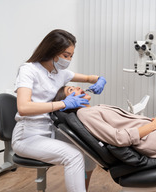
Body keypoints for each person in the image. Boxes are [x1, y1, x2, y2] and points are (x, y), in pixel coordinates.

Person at [12, 29, 107, 192]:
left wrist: (100, 80)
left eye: (71, 55)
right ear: (52, 51)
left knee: (90, 150)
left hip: (51, 132)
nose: (69, 59)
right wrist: (63, 104)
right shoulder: (29, 70)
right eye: (65, 55)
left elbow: (90, 78)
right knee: (74, 155)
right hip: (28, 136)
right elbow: (24, 107)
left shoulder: (59, 73)